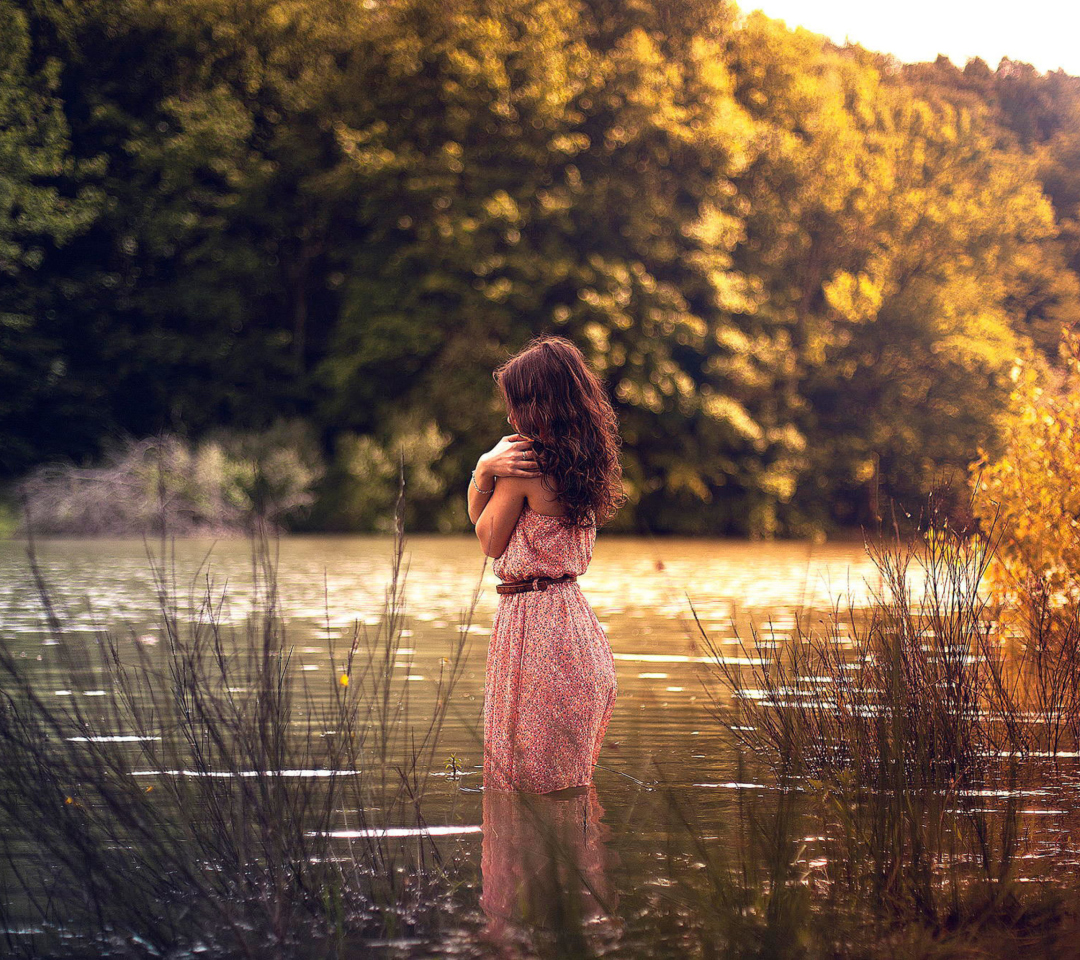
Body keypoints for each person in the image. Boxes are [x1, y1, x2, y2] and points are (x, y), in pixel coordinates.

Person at [466, 335, 625, 794]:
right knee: (567, 793)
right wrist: (489, 475)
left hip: (534, 633)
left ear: (538, 404)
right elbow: (486, 522)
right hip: (576, 632)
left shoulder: (525, 468)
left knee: (520, 788)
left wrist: (484, 468)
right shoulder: (586, 463)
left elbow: (487, 539)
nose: (511, 415)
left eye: (516, 402)